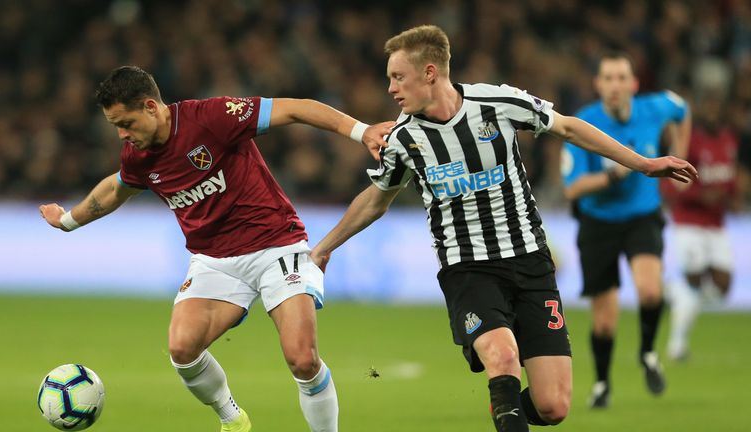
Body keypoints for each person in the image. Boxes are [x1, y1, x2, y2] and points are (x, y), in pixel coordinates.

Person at [309, 26, 696, 432]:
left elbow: (567, 127)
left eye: (397, 77)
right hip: (468, 269)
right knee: (502, 354)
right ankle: (505, 400)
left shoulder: (498, 102)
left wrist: (644, 164)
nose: (390, 89)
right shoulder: (403, 138)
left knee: (553, 405)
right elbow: (376, 198)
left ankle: (505, 406)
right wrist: (324, 247)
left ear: (429, 73)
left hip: (530, 260)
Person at [39, 65, 393, 432]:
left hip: (276, 246)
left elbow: (296, 108)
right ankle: (233, 419)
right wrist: (69, 221)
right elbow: (115, 190)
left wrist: (361, 131)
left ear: (150, 106)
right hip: (214, 262)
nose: (121, 134)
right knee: (182, 349)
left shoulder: (212, 117)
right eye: (115, 125)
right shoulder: (138, 156)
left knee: (303, 359)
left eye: (125, 123)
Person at [561, 52, 692, 408]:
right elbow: (571, 189)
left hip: (641, 217)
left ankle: (648, 353)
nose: (615, 85)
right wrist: (610, 177)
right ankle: (602, 383)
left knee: (650, 291)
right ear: (598, 85)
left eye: (622, 78)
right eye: (608, 78)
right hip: (598, 222)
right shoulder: (583, 124)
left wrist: (680, 153)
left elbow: (682, 110)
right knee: (605, 321)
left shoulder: (655, 108)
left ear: (634, 84)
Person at [662, 92, 739, 361]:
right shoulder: (690, 141)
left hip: (716, 224)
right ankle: (677, 346)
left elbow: (729, 178)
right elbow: (670, 181)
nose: (714, 113)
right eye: (709, 106)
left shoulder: (729, 139)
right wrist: (698, 196)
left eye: (718, 107)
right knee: (694, 279)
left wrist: (732, 194)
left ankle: (670, 292)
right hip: (689, 222)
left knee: (723, 284)